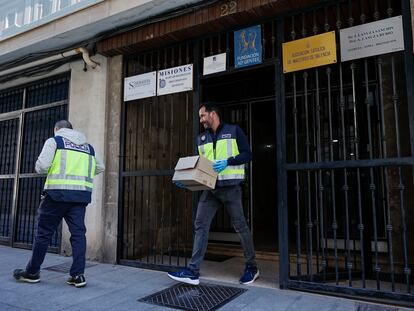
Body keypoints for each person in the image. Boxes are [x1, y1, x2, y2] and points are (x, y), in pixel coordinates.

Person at [168, 102, 259, 285]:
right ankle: (193, 271)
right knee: (200, 225)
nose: (201, 120)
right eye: (200, 117)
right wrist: (187, 181)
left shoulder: (234, 131)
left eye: (203, 115)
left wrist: (228, 162)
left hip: (231, 188)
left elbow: (248, 154)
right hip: (210, 189)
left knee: (240, 227)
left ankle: (252, 267)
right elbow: (200, 167)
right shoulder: (201, 139)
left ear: (213, 114)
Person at [13, 120, 105, 288]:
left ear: (57, 129)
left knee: (43, 234)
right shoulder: (88, 147)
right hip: (79, 197)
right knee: (78, 235)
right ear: (72, 129)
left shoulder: (54, 141)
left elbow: (42, 167)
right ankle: (77, 276)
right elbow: (100, 167)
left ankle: (32, 272)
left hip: (56, 195)